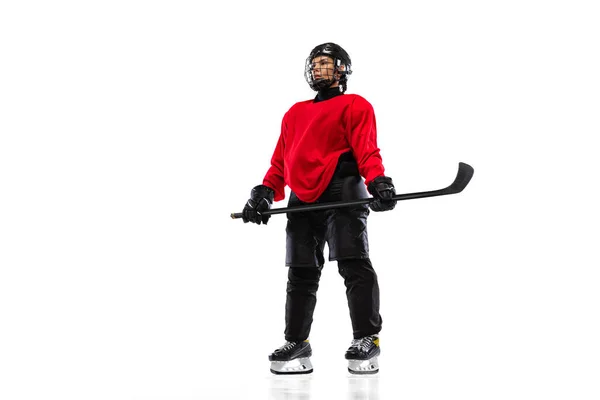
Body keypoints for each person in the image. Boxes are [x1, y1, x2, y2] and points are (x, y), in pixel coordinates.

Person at [241, 42, 397, 375]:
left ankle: (367, 339)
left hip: (342, 191)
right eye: (314, 63)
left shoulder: (355, 105)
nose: (317, 68)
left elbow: (367, 151)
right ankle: (297, 343)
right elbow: (281, 160)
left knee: (353, 265)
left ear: (342, 69)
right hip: (302, 198)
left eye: (325, 63)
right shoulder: (294, 113)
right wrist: (264, 192)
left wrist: (378, 182)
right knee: (300, 273)